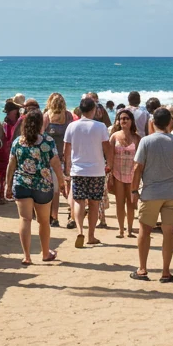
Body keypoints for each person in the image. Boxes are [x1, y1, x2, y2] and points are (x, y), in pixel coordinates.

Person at [130, 107, 173, 283]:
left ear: (153, 122)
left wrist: (134, 190)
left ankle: (142, 269)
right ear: (170, 122)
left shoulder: (146, 141)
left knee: (145, 230)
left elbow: (137, 168)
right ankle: (165, 272)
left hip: (151, 192)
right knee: (169, 232)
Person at [5, 109, 64, 265]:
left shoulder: (18, 142)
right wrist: (62, 181)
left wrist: (7, 185)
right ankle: (45, 253)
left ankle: (27, 256)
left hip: (22, 184)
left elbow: (11, 164)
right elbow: (55, 163)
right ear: (40, 124)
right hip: (42, 185)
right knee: (43, 221)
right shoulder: (48, 141)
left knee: (25, 219)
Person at [63, 97, 112, 247]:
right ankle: (91, 235)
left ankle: (80, 231)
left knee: (79, 201)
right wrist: (109, 164)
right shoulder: (100, 126)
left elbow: (66, 150)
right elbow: (107, 148)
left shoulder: (72, 126)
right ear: (94, 110)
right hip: (96, 170)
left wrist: (67, 167)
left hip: (78, 170)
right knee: (94, 203)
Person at [109, 108, 141, 238]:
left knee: (131, 203)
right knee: (119, 202)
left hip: (132, 174)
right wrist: (110, 173)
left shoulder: (137, 138)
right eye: (121, 118)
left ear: (131, 121)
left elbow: (140, 158)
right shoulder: (114, 136)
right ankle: (121, 230)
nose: (124, 121)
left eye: (127, 118)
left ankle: (130, 230)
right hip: (117, 173)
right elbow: (110, 156)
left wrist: (139, 175)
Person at [43, 93, 71, 226]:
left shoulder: (46, 116)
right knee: (61, 187)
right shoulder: (68, 116)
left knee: (53, 188)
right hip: (63, 156)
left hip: (49, 157)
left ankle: (53, 216)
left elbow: (40, 136)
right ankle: (67, 214)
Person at [0, 98, 21, 204]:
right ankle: (2, 195)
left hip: (15, 151)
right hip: (6, 152)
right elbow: (3, 139)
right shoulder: (5, 124)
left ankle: (10, 193)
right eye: (7, 113)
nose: (8, 115)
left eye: (9, 112)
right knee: (3, 174)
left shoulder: (20, 123)